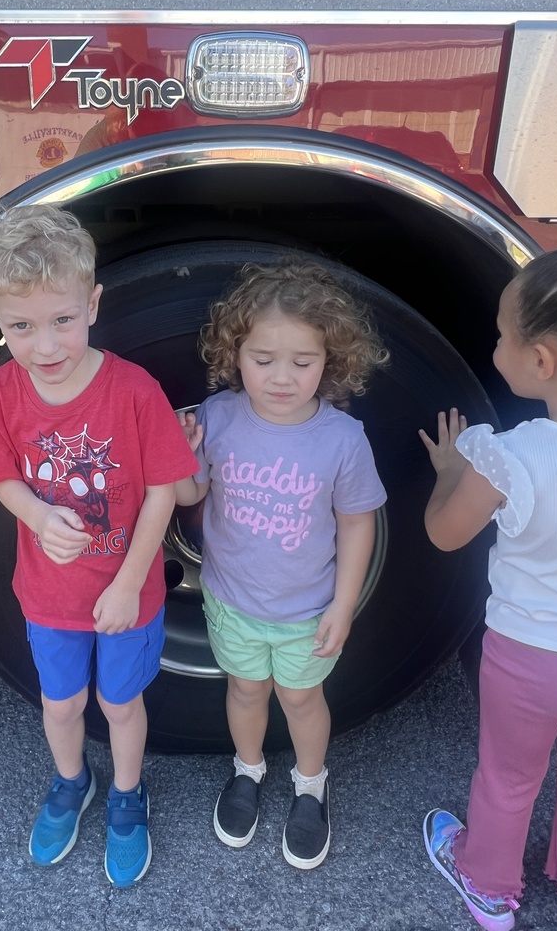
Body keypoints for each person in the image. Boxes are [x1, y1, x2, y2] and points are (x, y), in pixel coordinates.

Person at [0, 203, 199, 888]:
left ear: (93, 303)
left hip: (129, 591)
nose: (46, 345)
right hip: (49, 594)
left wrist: (131, 582)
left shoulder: (133, 391)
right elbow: (2, 478)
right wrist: (40, 518)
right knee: (62, 703)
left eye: (62, 320)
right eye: (22, 326)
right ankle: (72, 782)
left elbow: (166, 489)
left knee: (120, 704)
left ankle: (127, 795)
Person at [175, 257, 388, 868]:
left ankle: (310, 785)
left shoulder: (342, 438)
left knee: (299, 699)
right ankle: (248, 771)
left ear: (331, 360)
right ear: (234, 353)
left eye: (304, 362)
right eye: (263, 359)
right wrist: (185, 455)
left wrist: (344, 605)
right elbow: (191, 496)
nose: (282, 377)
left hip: (307, 610)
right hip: (231, 599)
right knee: (245, 689)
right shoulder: (218, 417)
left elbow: (357, 521)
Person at [419, 246, 557, 931]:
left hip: (528, 657)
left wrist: (451, 470)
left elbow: (446, 533)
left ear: (541, 361)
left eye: (504, 334)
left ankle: (488, 888)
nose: (496, 344)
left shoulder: (511, 455)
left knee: (509, 779)